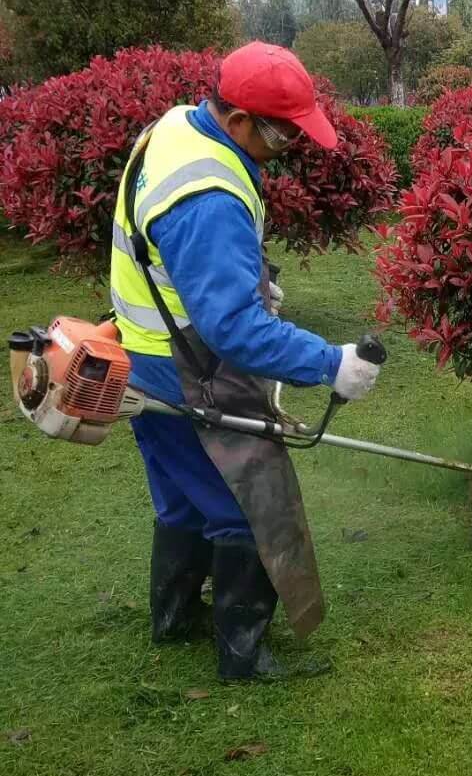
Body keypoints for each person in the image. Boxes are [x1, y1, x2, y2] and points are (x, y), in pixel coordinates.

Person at [109, 41, 381, 681]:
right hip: (184, 371)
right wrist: (329, 364)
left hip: (142, 356)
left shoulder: (174, 128)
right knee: (242, 508)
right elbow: (233, 330)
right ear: (235, 122)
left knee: (181, 498)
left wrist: (245, 279)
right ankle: (243, 657)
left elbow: (169, 259)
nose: (286, 150)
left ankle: (173, 620)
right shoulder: (209, 198)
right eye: (282, 137)